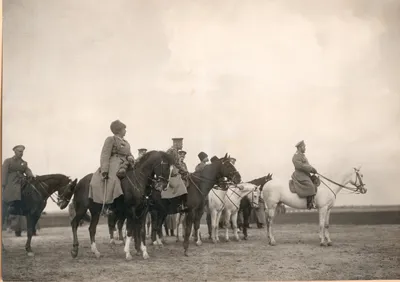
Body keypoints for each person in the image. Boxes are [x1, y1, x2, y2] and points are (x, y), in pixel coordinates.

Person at [88, 120, 135, 215]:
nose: (125, 131)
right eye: (124, 129)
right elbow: (105, 155)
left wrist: (131, 157)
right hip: (114, 163)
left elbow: (130, 154)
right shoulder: (111, 139)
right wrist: (104, 170)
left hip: (126, 163)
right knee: (114, 180)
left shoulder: (126, 142)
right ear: (118, 130)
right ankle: (109, 205)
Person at [2, 145, 34, 215]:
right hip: (11, 182)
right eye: (19, 151)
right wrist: (3, 185)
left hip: (22, 181)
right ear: (15, 152)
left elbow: (27, 170)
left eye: (22, 152)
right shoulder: (8, 161)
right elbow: (3, 173)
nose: (21, 153)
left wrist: (30, 174)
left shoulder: (24, 163)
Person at [291, 140, 318, 209]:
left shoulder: (303, 155)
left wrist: (313, 169)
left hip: (305, 174)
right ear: (300, 147)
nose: (305, 148)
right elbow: (300, 166)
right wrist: (311, 169)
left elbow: (306, 165)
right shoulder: (296, 156)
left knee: (316, 180)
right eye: (304, 147)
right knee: (311, 186)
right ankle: (310, 203)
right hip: (300, 175)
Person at [165, 138, 189, 212]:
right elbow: (177, 164)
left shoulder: (173, 150)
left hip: (173, 171)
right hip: (171, 172)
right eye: (181, 143)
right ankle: (180, 204)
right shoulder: (173, 151)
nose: (182, 145)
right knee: (183, 187)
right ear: (176, 143)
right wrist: (184, 170)